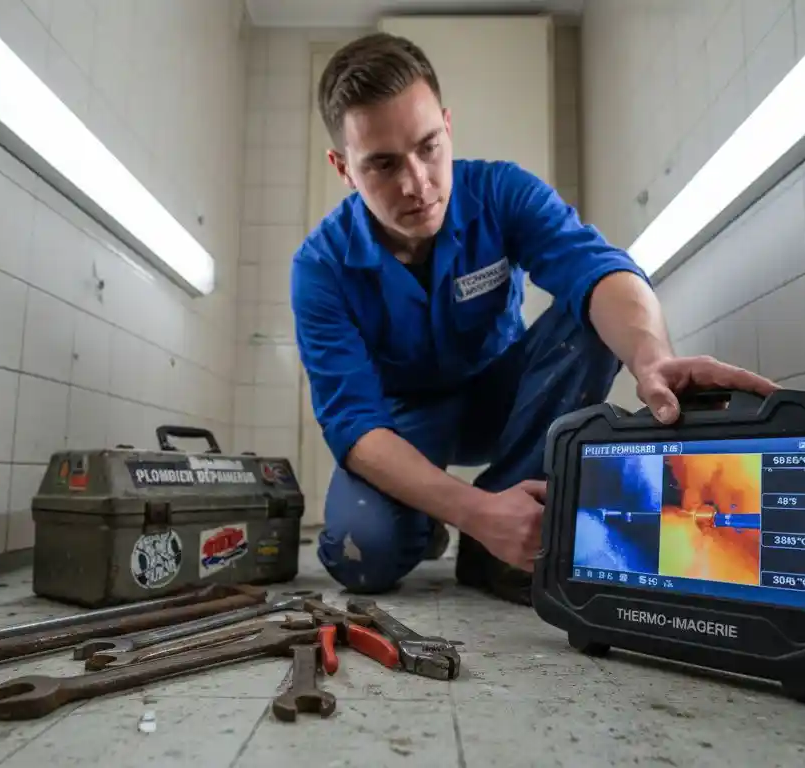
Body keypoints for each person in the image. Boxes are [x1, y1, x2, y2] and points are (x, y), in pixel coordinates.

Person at [290, 32, 777, 605]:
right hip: (406, 426)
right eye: (382, 164)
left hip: (507, 400)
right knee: (361, 552)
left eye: (428, 147)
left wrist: (652, 357)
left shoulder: (501, 191)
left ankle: (498, 534)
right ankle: (445, 521)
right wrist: (474, 511)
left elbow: (597, 269)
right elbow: (354, 426)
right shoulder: (319, 266)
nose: (417, 184)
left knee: (587, 318)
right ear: (343, 168)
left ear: (447, 126)